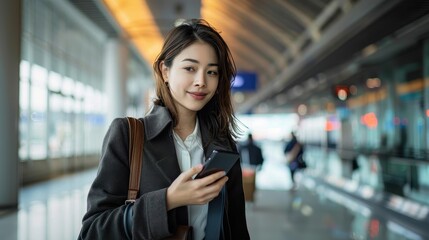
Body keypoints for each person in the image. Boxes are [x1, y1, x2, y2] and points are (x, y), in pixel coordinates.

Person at [78, 19, 250, 240]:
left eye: (212, 72)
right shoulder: (128, 135)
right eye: (190, 68)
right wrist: (168, 200)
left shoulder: (222, 143)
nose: (201, 81)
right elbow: (93, 231)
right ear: (165, 71)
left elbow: (236, 228)